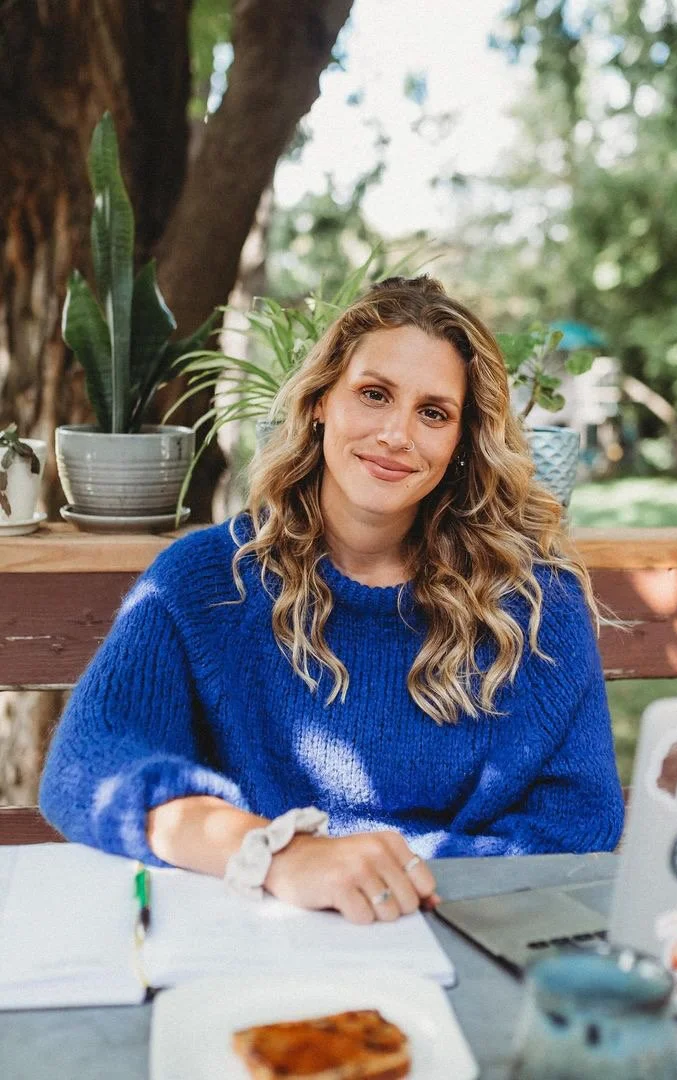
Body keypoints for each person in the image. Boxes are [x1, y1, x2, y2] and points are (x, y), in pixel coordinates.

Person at [39, 275, 624, 924]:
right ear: (320, 402)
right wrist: (280, 856)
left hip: (460, 930)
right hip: (258, 929)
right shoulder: (205, 581)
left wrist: (391, 876)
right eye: (374, 395)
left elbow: (582, 821)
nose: (397, 434)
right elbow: (85, 768)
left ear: (462, 440)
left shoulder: (536, 606)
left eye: (434, 412)